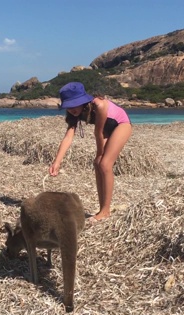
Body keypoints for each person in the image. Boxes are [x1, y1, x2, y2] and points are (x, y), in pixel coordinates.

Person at [49, 82, 132, 223]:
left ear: (82, 101)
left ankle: (105, 211)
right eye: (68, 107)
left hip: (121, 125)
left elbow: (98, 132)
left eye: (74, 105)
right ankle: (102, 209)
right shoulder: (74, 114)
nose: (71, 110)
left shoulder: (99, 105)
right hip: (106, 130)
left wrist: (99, 155)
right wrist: (57, 161)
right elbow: (68, 137)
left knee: (104, 164)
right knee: (97, 164)